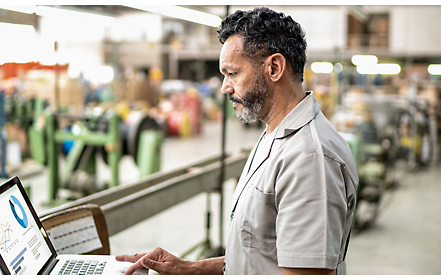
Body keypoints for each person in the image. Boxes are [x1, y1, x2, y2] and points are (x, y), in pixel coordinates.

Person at [116, 6, 358, 275]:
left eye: (232, 73)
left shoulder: (309, 158)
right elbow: (262, 255)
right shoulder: (276, 133)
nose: (224, 87)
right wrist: (191, 267)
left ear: (274, 68)